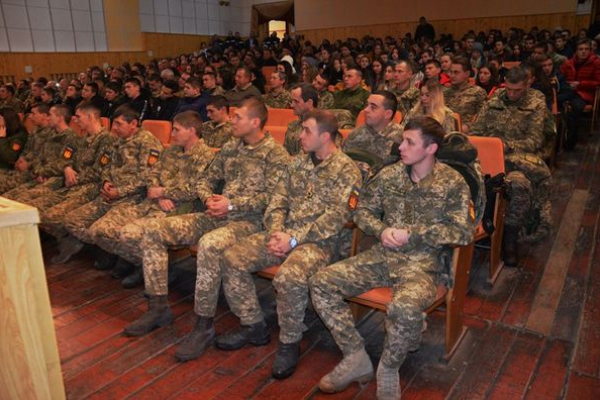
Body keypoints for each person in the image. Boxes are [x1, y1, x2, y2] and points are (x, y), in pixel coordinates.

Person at [175, 109, 361, 380]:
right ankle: (253, 325)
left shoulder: (347, 169)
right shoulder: (297, 163)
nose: (299, 135)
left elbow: (337, 218)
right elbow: (277, 201)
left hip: (321, 243)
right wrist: (276, 232)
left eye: (306, 131)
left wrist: (294, 238)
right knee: (233, 258)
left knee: (289, 277)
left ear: (325, 136)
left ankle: (289, 343)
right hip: (283, 235)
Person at [309, 116, 474, 399]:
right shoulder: (390, 175)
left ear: (431, 148)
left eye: (410, 142)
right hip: (383, 256)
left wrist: (415, 234)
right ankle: (355, 356)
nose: (401, 147)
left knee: (405, 309)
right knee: (322, 282)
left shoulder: (452, 183)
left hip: (425, 265)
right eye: (403, 140)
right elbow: (362, 211)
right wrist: (381, 229)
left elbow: (463, 232)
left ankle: (388, 367)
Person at [123, 97, 289, 337]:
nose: (232, 120)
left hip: (250, 222)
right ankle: (158, 307)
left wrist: (231, 205)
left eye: (237, 117)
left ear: (255, 122)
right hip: (216, 213)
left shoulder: (275, 154)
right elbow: (205, 179)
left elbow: (273, 198)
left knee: (209, 244)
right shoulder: (232, 147)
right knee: (153, 229)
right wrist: (209, 197)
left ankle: (203, 325)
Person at [87, 111, 215, 287]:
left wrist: (163, 191)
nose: (172, 134)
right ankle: (143, 263)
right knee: (99, 230)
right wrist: (159, 193)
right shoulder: (171, 151)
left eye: (177, 130)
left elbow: (195, 189)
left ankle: (153, 268)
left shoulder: (206, 156)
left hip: (178, 209)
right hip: (153, 202)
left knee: (128, 234)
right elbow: (152, 174)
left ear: (191, 130)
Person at [53, 105, 163, 264]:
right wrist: (106, 181)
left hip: (133, 198)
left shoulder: (148, 143)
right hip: (109, 194)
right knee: (72, 220)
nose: (115, 128)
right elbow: (107, 166)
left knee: (100, 230)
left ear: (133, 124)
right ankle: (111, 251)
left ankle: (136, 262)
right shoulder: (117, 141)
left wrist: (120, 191)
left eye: (119, 124)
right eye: (114, 123)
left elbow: (147, 177)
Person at [470, 66, 552, 265]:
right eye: (509, 89)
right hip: (488, 158)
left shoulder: (535, 103)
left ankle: (509, 238)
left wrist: (504, 145)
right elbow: (476, 130)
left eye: (518, 90)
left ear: (527, 85)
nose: (513, 94)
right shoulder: (494, 101)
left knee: (519, 186)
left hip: (517, 161)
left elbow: (534, 141)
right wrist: (488, 146)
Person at [0, 103, 52, 193]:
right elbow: (26, 152)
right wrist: (22, 159)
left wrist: (1, 139)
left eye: (33, 114)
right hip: (21, 170)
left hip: (30, 172)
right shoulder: (35, 132)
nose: (30, 117)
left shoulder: (19, 135)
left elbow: (10, 157)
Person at [559, 38, 600, 149]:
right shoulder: (569, 62)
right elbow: (560, 75)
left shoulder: (595, 62)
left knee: (575, 108)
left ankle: (570, 141)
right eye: (581, 49)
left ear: (590, 51)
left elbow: (598, 81)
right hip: (568, 91)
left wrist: (580, 84)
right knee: (556, 104)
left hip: (583, 93)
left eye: (586, 49)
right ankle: (558, 139)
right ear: (576, 51)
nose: (583, 51)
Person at [342, 90, 402, 163]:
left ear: (388, 114)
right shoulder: (356, 134)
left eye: (373, 107)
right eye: (367, 105)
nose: (366, 110)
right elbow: (344, 162)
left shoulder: (401, 137)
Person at [444, 56, 487, 133]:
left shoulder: (477, 92)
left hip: (468, 133)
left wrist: (468, 126)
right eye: (451, 72)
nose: (452, 75)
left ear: (467, 74)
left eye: (456, 72)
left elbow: (482, 117)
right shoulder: (444, 92)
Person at [284, 83, 318, 156]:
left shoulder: (322, 126)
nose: (291, 105)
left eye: (296, 101)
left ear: (309, 103)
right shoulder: (293, 126)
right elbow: (285, 153)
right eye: (292, 101)